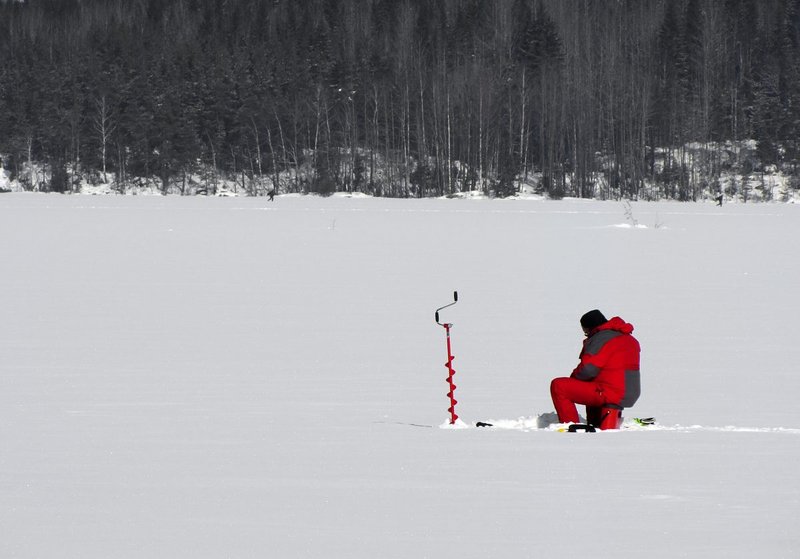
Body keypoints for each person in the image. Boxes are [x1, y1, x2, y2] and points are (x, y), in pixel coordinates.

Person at [550, 310, 641, 428]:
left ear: (589, 328)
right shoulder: (629, 339)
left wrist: (573, 381)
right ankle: (597, 424)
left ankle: (571, 426)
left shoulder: (601, 338)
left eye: (586, 332)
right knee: (593, 385)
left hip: (610, 392)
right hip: (630, 393)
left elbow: (588, 369)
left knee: (559, 386)